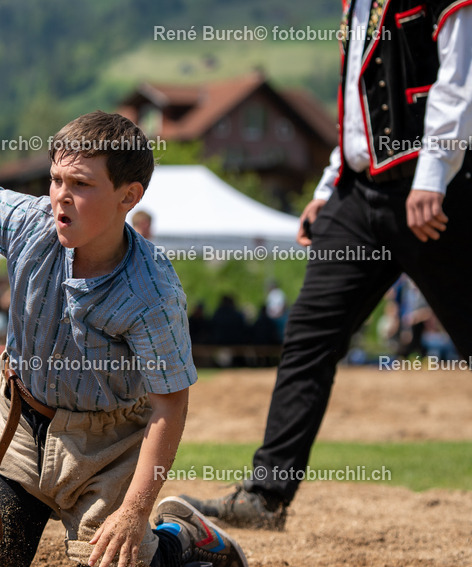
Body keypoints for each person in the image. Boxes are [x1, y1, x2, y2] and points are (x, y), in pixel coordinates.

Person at [0, 31, 248, 567]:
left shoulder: (152, 289)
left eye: (80, 184)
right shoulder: (30, 222)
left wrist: (136, 511)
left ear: (127, 197)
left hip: (107, 444)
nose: (60, 194)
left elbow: (169, 404)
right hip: (24, 421)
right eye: (56, 178)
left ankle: (180, 534)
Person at [184, 0, 472, 529]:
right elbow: (356, 103)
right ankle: (265, 496)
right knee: (309, 336)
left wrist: (433, 177)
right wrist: (328, 187)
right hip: (358, 198)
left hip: (434, 190)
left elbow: (459, 84)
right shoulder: (355, 4)